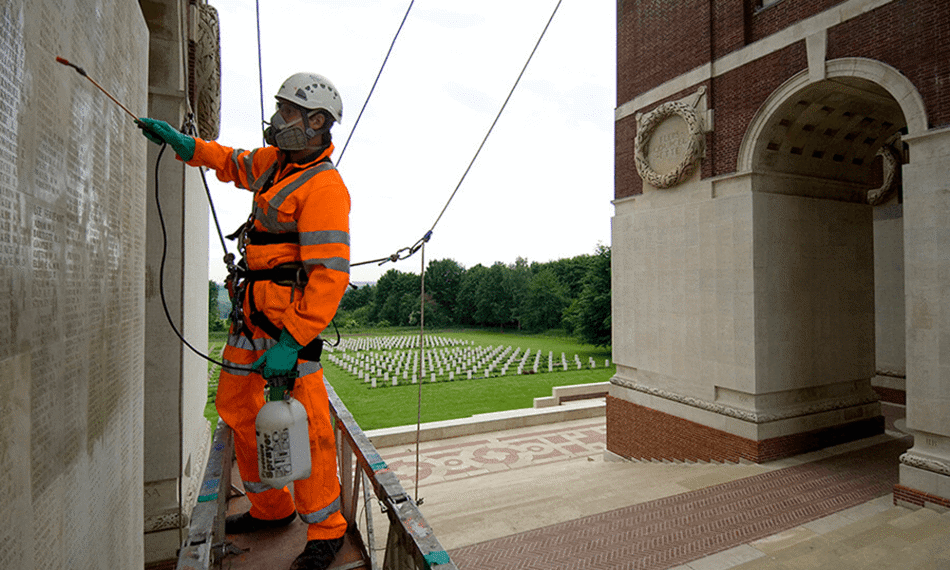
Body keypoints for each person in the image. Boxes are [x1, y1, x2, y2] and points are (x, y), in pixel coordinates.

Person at [139, 72, 350, 570]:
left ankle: (326, 527)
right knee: (236, 406)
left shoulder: (324, 187)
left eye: (288, 112)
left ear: (316, 122)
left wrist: (293, 341)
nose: (278, 119)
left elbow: (328, 276)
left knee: (308, 422)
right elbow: (230, 160)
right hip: (251, 315)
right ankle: (271, 507)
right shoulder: (274, 164)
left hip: (286, 325)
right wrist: (184, 144)